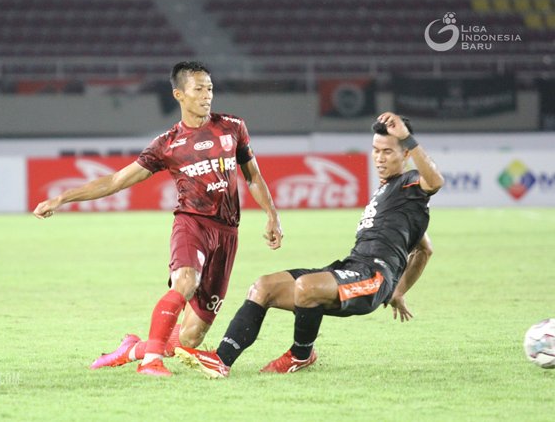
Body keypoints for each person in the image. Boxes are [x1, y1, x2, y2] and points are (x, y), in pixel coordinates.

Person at [33, 61, 283, 377]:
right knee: (186, 282)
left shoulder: (233, 127)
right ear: (179, 94)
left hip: (228, 233)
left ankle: (132, 349)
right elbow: (114, 181)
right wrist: (61, 198)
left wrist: (272, 216)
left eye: (210, 88)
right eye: (199, 89)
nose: (207, 95)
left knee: (192, 336)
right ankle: (151, 362)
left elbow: (253, 176)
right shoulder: (168, 144)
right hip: (192, 224)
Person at [175, 112, 444, 378]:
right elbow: (424, 248)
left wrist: (394, 287)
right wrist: (399, 291)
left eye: (387, 151)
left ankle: (300, 355)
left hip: (372, 277)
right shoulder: (390, 194)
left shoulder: (410, 184)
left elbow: (435, 182)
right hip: (350, 268)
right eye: (375, 151)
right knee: (263, 286)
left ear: (406, 154)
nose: (379, 158)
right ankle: (221, 360)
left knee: (307, 287)